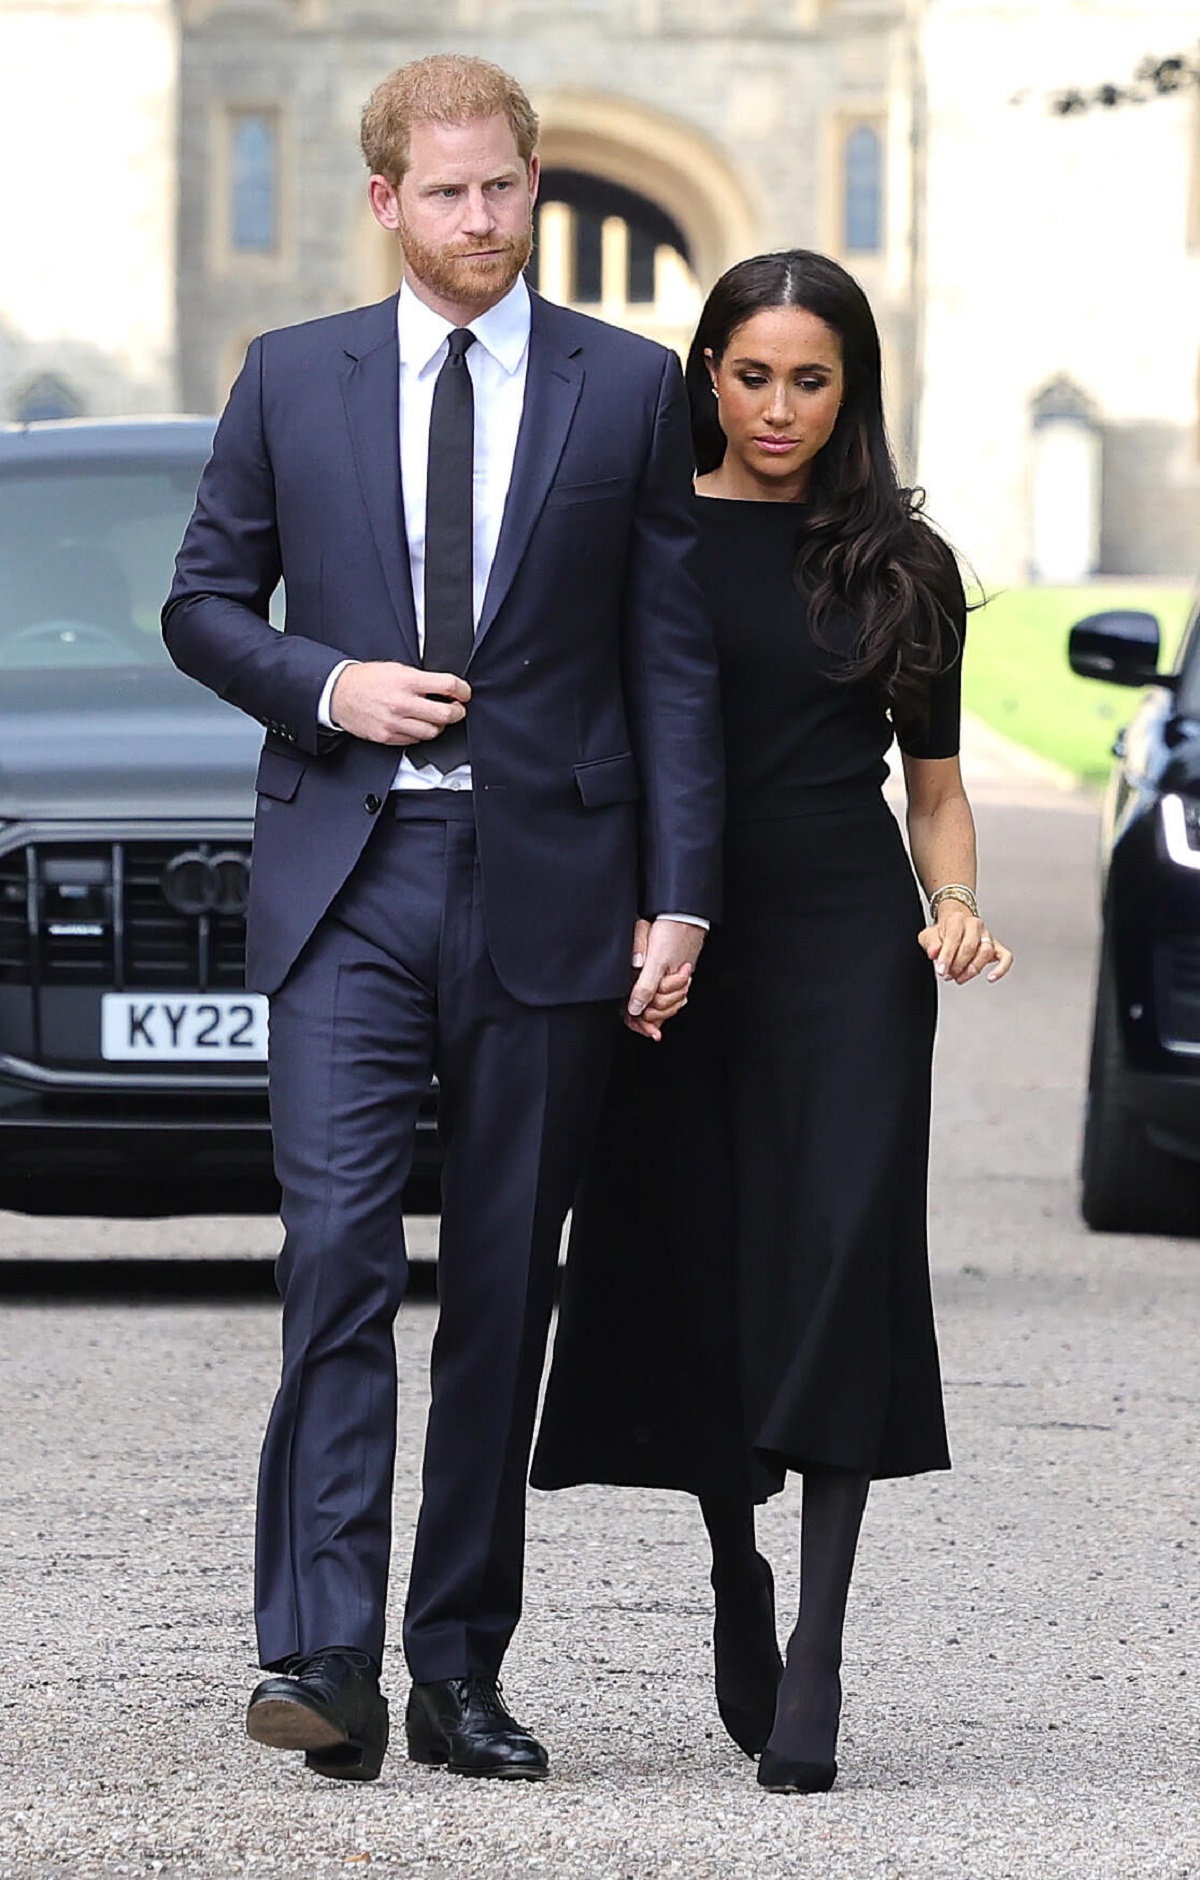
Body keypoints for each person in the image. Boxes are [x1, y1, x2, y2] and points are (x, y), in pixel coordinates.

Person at [162, 54, 722, 1786]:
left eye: (508, 188)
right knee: (334, 1258)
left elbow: (672, 662)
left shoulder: (627, 387)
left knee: (499, 1290)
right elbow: (200, 606)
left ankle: (457, 1666)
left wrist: (680, 897)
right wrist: (329, 682)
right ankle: (321, 1653)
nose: (485, 219)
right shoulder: (290, 376)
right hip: (351, 881)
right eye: (451, 190)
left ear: (531, 185)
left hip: (550, 892)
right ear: (388, 199)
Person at [532, 250, 1013, 1795]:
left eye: (814, 379)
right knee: (701, 1257)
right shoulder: (640, 533)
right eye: (753, 375)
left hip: (844, 955)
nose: (782, 407)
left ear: (852, 387)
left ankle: (818, 1642)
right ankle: (733, 1555)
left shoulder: (901, 565)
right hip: (677, 950)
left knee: (839, 1262)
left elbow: (934, 796)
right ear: (708, 375)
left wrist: (951, 904)